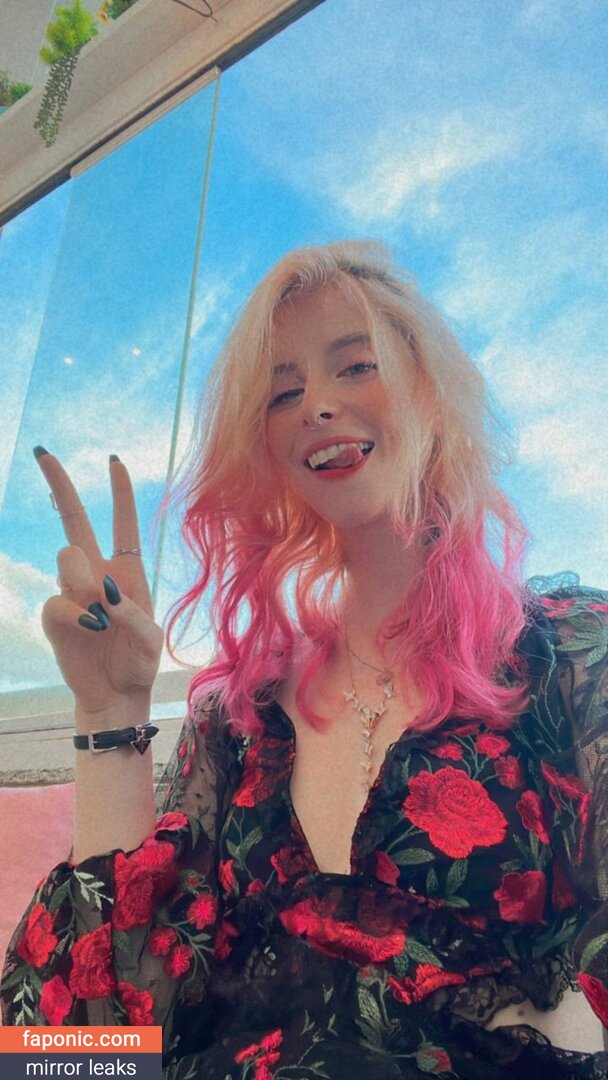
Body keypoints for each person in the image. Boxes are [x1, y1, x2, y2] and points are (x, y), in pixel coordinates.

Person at [2, 240, 608, 1080]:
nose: (318, 406)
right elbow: (83, 1054)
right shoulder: (241, 717)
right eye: (283, 394)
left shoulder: (572, 656)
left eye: (356, 367)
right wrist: (108, 714)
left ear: (431, 397)